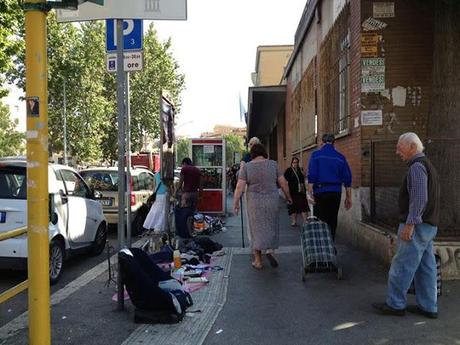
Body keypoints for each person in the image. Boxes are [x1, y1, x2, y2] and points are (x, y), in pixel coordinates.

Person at [373, 132, 440, 319]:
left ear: (412, 147)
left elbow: (419, 199)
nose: (396, 151)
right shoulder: (428, 165)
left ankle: (395, 304)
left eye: (399, 147)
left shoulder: (416, 166)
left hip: (417, 226)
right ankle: (428, 306)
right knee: (426, 267)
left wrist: (410, 225)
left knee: (402, 265)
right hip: (429, 225)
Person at [233, 143, 292, 270]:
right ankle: (270, 251)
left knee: (256, 229)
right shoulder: (273, 164)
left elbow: (239, 186)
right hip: (272, 200)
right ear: (264, 152)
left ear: (252, 154)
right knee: (271, 225)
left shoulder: (247, 167)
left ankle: (258, 260)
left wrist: (236, 202)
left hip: (254, 202)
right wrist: (288, 197)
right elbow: (283, 183)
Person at [307, 133, 352, 240]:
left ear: (322, 142)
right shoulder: (341, 157)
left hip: (320, 191)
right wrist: (348, 197)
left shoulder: (316, 155)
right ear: (334, 142)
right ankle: (331, 242)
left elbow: (312, 175)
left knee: (320, 219)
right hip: (335, 192)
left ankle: (322, 244)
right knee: (332, 218)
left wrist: (310, 193)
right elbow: (347, 178)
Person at [284, 157, 309, 226]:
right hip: (292, 191)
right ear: (291, 163)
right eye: (294, 162)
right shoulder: (288, 170)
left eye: (297, 162)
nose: (295, 164)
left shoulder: (300, 169)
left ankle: (305, 221)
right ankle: (294, 221)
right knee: (293, 206)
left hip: (301, 190)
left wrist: (303, 173)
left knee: (303, 205)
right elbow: (285, 180)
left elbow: (304, 178)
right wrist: (286, 192)